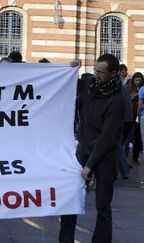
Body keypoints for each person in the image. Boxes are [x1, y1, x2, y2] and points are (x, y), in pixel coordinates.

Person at [59, 54, 126, 243]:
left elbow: (107, 137)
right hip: (83, 148)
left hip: (105, 155)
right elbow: (69, 84)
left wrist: (89, 165)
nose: (96, 75)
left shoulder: (118, 100)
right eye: (95, 70)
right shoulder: (89, 84)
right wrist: (71, 69)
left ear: (113, 73)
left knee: (103, 205)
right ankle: (65, 239)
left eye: (101, 72)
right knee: (70, 198)